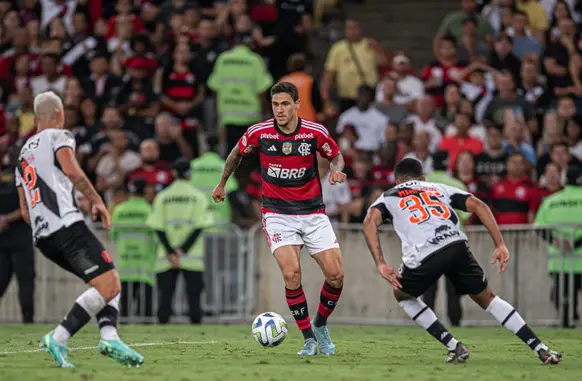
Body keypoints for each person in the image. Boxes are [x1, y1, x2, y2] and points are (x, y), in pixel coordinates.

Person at [362, 157, 562, 365]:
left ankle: (453, 345)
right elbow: (479, 205)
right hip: (455, 244)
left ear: (397, 181)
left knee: (402, 293)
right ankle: (540, 347)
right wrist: (500, 244)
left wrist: (381, 263)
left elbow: (369, 223)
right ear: (423, 178)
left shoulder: (388, 196)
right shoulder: (437, 188)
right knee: (488, 298)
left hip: (425, 252)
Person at [212, 82, 347, 356]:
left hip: (312, 212)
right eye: (275, 105)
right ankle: (309, 338)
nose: (280, 110)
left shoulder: (314, 132)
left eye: (285, 104)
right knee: (291, 273)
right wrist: (222, 183)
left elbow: (337, 156)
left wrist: (336, 170)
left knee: (336, 276)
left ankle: (320, 324)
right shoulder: (259, 132)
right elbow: (237, 153)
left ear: (297, 104)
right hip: (277, 214)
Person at [15, 91, 143, 368]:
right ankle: (59, 337)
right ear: (60, 115)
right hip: (66, 227)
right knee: (110, 283)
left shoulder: (22, 155)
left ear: (36, 118)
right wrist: (97, 199)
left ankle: (109, 335)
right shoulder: (59, 136)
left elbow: (25, 210)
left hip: (43, 237)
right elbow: (72, 171)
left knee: (107, 280)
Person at [147, 158, 214, 325]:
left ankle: (161, 337)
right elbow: (200, 226)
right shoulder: (198, 197)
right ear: (190, 174)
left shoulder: (163, 196)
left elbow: (157, 226)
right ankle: (198, 336)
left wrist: (171, 251)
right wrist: (182, 251)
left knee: (165, 298)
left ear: (173, 173)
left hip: (166, 256)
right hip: (191, 256)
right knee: (194, 298)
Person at [422, 151, 471, 327]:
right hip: (453, 242)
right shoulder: (457, 185)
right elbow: (465, 217)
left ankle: (427, 324)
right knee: (453, 289)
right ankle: (455, 323)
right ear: (448, 163)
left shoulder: (422, 184)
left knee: (429, 288)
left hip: (427, 242)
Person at [534, 166, 582, 328]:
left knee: (563, 297)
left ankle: (568, 324)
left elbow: (539, 228)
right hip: (579, 258)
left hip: (559, 260)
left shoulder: (552, 201)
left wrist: (558, 242)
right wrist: (576, 244)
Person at [110, 178, 156, 322]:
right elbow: (156, 236)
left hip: (125, 262)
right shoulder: (150, 210)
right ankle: (146, 329)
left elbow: (113, 235)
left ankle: (122, 330)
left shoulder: (119, 210)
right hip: (144, 263)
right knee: (145, 306)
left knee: (124, 305)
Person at [0, 142, 34, 323]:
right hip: (11, 236)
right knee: (20, 280)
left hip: (18, 235)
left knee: (25, 281)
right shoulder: (24, 176)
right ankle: (28, 320)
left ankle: (28, 320)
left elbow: (29, 205)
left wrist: (5, 219)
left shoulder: (28, 176)